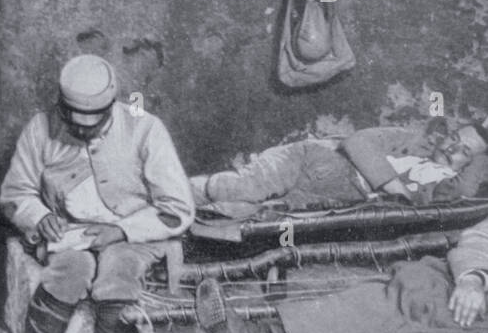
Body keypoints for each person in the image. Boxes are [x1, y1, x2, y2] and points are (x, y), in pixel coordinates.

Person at [0, 55, 194, 333]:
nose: (84, 131)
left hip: (133, 231)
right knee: (71, 271)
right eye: (74, 123)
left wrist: (123, 230)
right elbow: (15, 194)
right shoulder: (40, 129)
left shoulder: (145, 127)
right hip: (70, 232)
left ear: (112, 107)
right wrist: (40, 217)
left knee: (118, 274)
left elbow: (177, 207)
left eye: (96, 123)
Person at [190, 122, 488, 212]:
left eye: (463, 151)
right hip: (312, 159)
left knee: (238, 212)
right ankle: (167, 190)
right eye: (452, 138)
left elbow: (466, 188)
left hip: (331, 195)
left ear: (471, 164)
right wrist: (392, 186)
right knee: (242, 187)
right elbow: (357, 141)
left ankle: (161, 215)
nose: (451, 148)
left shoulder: (445, 188)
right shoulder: (411, 139)